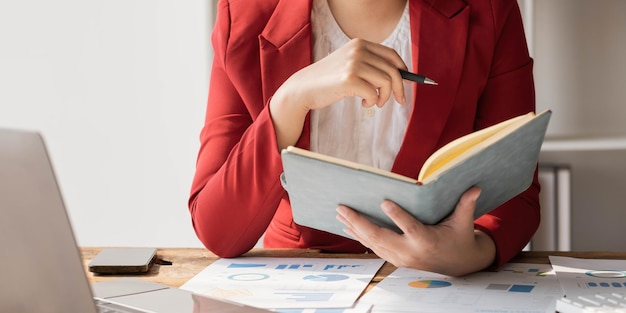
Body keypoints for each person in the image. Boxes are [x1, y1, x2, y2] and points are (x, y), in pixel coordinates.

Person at [189, 0, 539, 277]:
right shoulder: (244, 14)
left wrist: (471, 253)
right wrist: (290, 100)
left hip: (438, 283)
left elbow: (517, 190)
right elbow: (217, 229)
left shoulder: (489, 9)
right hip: (296, 279)